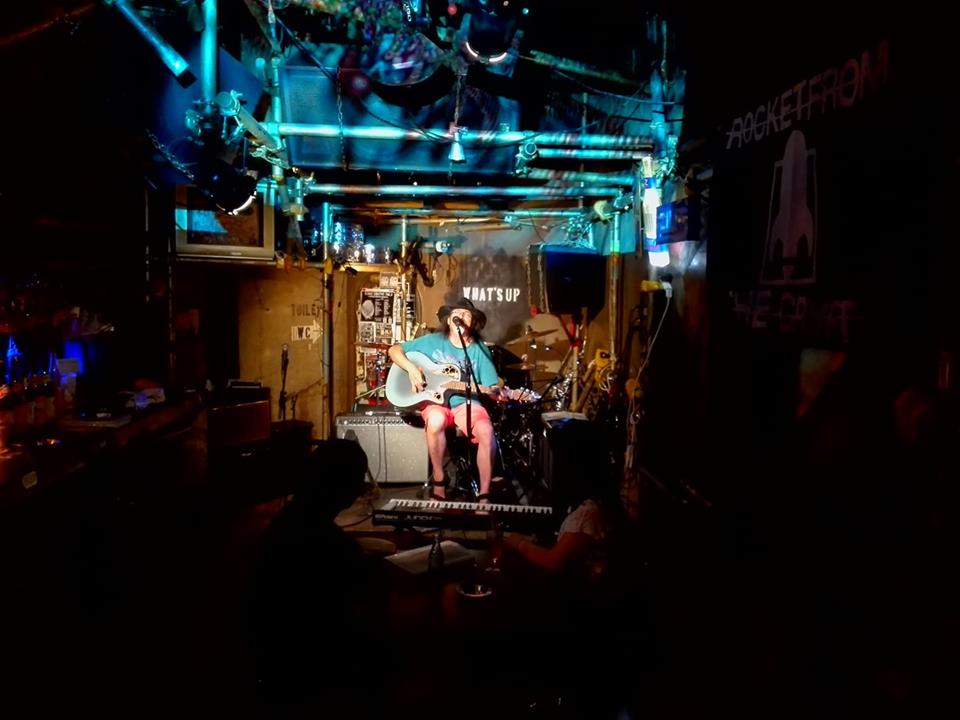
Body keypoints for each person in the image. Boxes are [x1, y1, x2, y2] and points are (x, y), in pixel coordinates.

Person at [388, 297, 501, 502]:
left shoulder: (479, 349)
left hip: (466, 403)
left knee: (486, 431)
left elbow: (492, 388)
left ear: (473, 322)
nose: (461, 317)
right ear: (449, 320)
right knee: (436, 420)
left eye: (466, 315)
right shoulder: (432, 341)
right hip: (435, 402)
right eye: (456, 314)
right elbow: (394, 350)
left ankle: (484, 495)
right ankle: (439, 480)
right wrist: (412, 369)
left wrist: (502, 393)